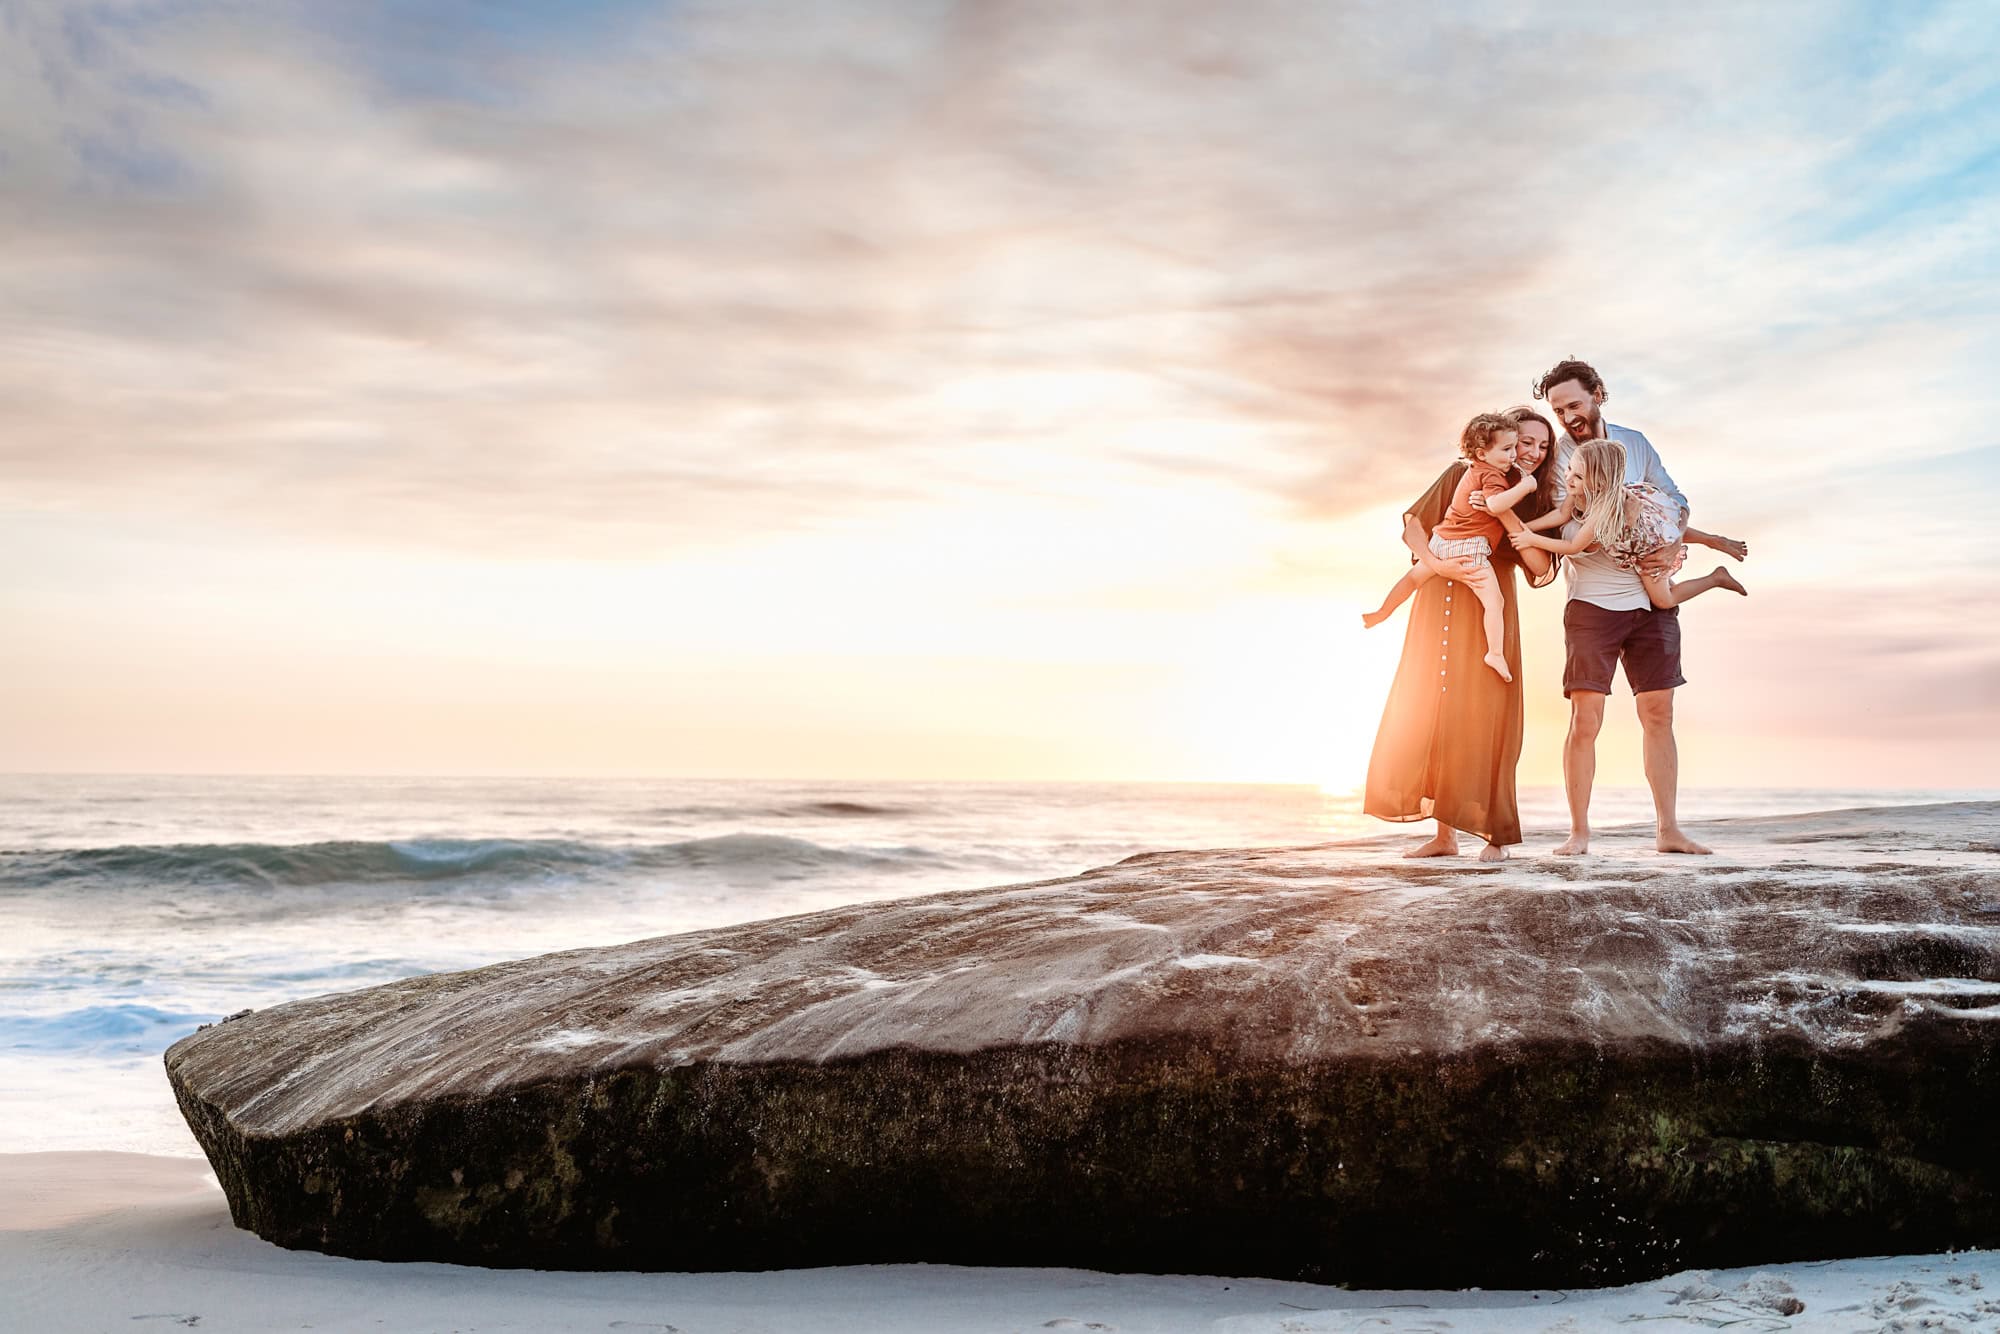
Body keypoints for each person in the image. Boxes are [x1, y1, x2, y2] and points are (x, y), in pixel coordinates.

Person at [1530, 358, 1747, 855]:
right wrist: (1614, 533)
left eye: (1575, 405)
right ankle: (1579, 833)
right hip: (1592, 603)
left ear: (1598, 394)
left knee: (1658, 714)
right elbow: (1567, 527)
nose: (1568, 417)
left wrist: (1668, 545)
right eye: (1559, 410)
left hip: (1651, 603)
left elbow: (1673, 499)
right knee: (1585, 720)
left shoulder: (1635, 442)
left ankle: (1668, 830)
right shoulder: (1560, 458)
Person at [1363, 405, 1560, 862]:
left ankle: (1496, 837)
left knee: (1489, 713)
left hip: (1486, 610)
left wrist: (1508, 518)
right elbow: (1414, 528)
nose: (1530, 452)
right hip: (1436, 601)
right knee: (1432, 709)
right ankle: (1444, 836)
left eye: (1541, 446)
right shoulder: (1463, 472)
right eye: (1524, 441)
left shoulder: (1535, 495)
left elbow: (1539, 568)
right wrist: (1437, 564)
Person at [1362, 412, 1539, 683]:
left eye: (1514, 447)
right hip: (1468, 548)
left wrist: (1436, 562)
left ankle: (1382, 612)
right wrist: (1526, 486)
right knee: (1495, 601)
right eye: (1507, 449)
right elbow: (1494, 505)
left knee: (1412, 579)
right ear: (1482, 453)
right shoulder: (1493, 477)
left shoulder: (1471, 470)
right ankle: (1495, 653)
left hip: (1441, 541)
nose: (1514, 455)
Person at [1511, 438, 1747, 609]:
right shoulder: (1578, 487)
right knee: (1659, 528)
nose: (1569, 477)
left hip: (1647, 548)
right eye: (1570, 468)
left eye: (1578, 476)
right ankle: (1712, 541)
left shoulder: (1602, 511)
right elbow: (1562, 515)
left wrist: (1531, 539)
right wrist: (1527, 526)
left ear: (1599, 483)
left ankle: (1716, 577)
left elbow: (1573, 546)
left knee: (1665, 600)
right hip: (1647, 528)